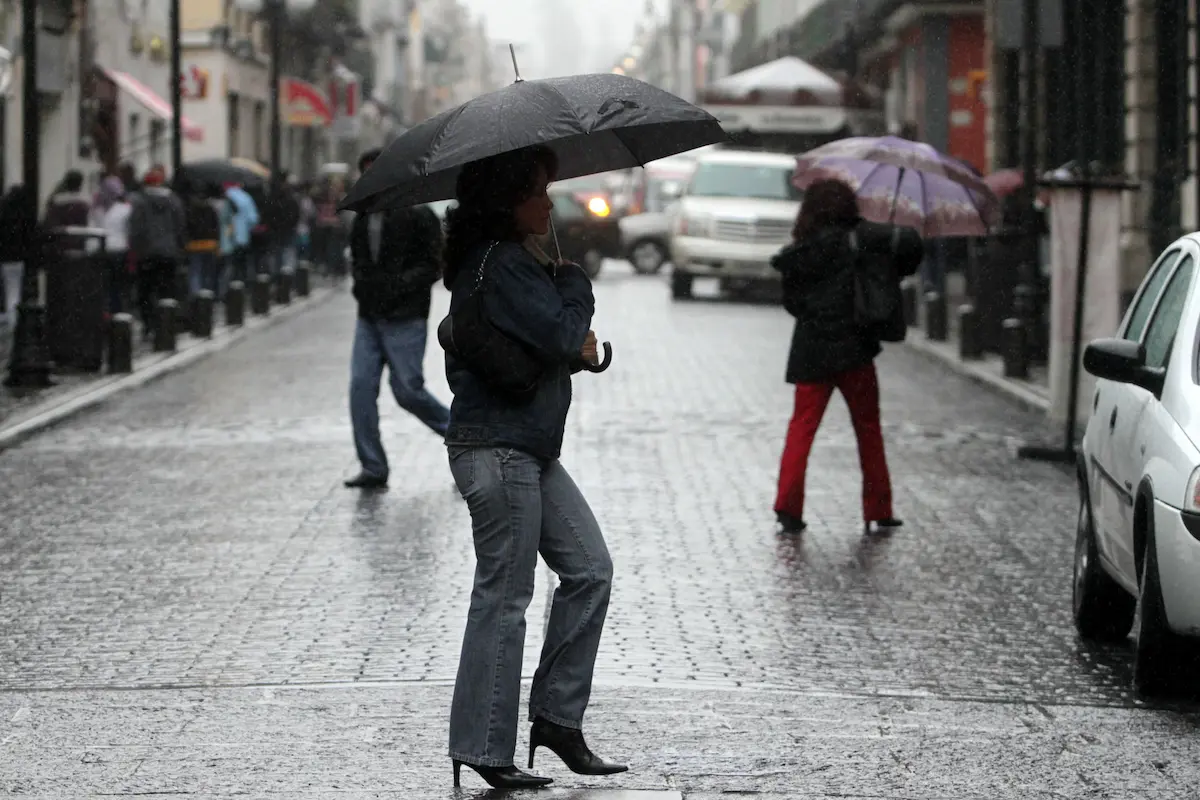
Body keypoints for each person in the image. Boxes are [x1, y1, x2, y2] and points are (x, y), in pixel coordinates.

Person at [441, 145, 625, 790]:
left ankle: (555, 719)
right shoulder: (504, 264)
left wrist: (570, 332)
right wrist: (575, 286)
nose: (549, 203)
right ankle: (484, 746)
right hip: (498, 447)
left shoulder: (509, 263)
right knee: (504, 595)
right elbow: (555, 334)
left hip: (526, 444)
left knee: (589, 570)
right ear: (507, 201)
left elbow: (545, 343)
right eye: (539, 192)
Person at [771, 178, 924, 536]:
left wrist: (816, 312)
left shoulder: (801, 251)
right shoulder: (865, 239)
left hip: (812, 352)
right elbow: (912, 246)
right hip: (855, 349)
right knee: (868, 429)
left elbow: (792, 304)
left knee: (801, 429)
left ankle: (787, 507)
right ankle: (878, 508)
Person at [344, 148, 451, 489]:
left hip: (405, 316)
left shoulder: (418, 215)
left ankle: (462, 435)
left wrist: (399, 286)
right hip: (369, 317)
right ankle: (373, 466)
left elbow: (434, 264)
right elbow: (359, 260)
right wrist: (363, 286)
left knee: (408, 390)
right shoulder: (363, 217)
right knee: (361, 389)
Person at [128, 166, 185, 340]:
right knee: (167, 289)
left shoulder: (138, 201)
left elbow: (135, 228)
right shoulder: (174, 201)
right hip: (169, 252)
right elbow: (180, 226)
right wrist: (179, 248)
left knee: (146, 289)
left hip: (146, 253)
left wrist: (135, 248)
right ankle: (167, 323)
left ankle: (148, 324)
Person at [91, 177, 133, 314]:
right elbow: (129, 230)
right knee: (118, 286)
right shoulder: (125, 209)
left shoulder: (96, 209)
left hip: (101, 250)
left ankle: (104, 312)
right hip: (119, 251)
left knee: (103, 285)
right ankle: (118, 313)